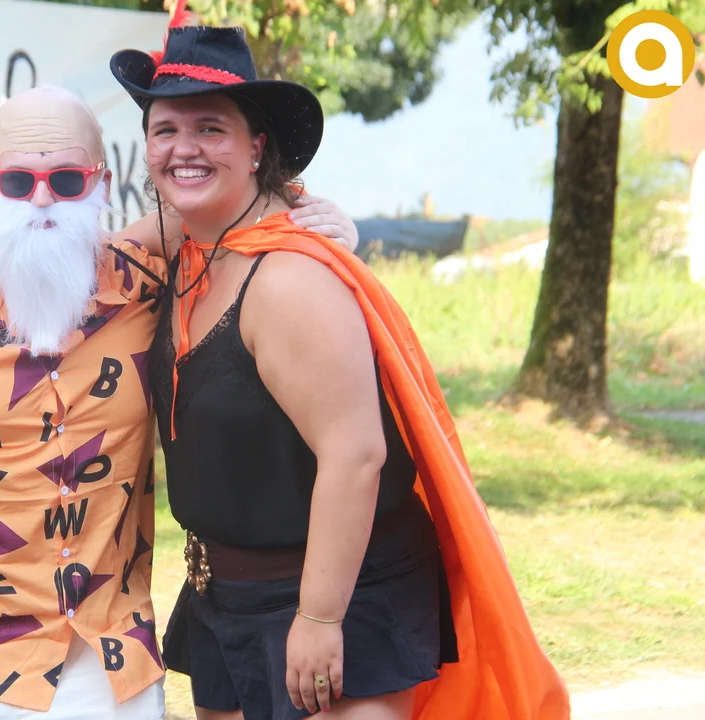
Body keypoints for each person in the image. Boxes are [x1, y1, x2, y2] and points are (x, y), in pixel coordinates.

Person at [0, 83, 357, 720]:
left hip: (101, 650)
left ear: (100, 183)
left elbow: (229, 212)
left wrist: (313, 217)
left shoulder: (141, 278)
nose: (41, 200)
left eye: (65, 180)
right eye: (17, 182)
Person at [110, 22, 571, 720]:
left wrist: (321, 618)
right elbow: (87, 259)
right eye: (165, 130)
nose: (184, 148)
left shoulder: (288, 278)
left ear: (257, 145)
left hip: (337, 598)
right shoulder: (189, 241)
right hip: (222, 595)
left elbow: (355, 454)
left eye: (210, 129)